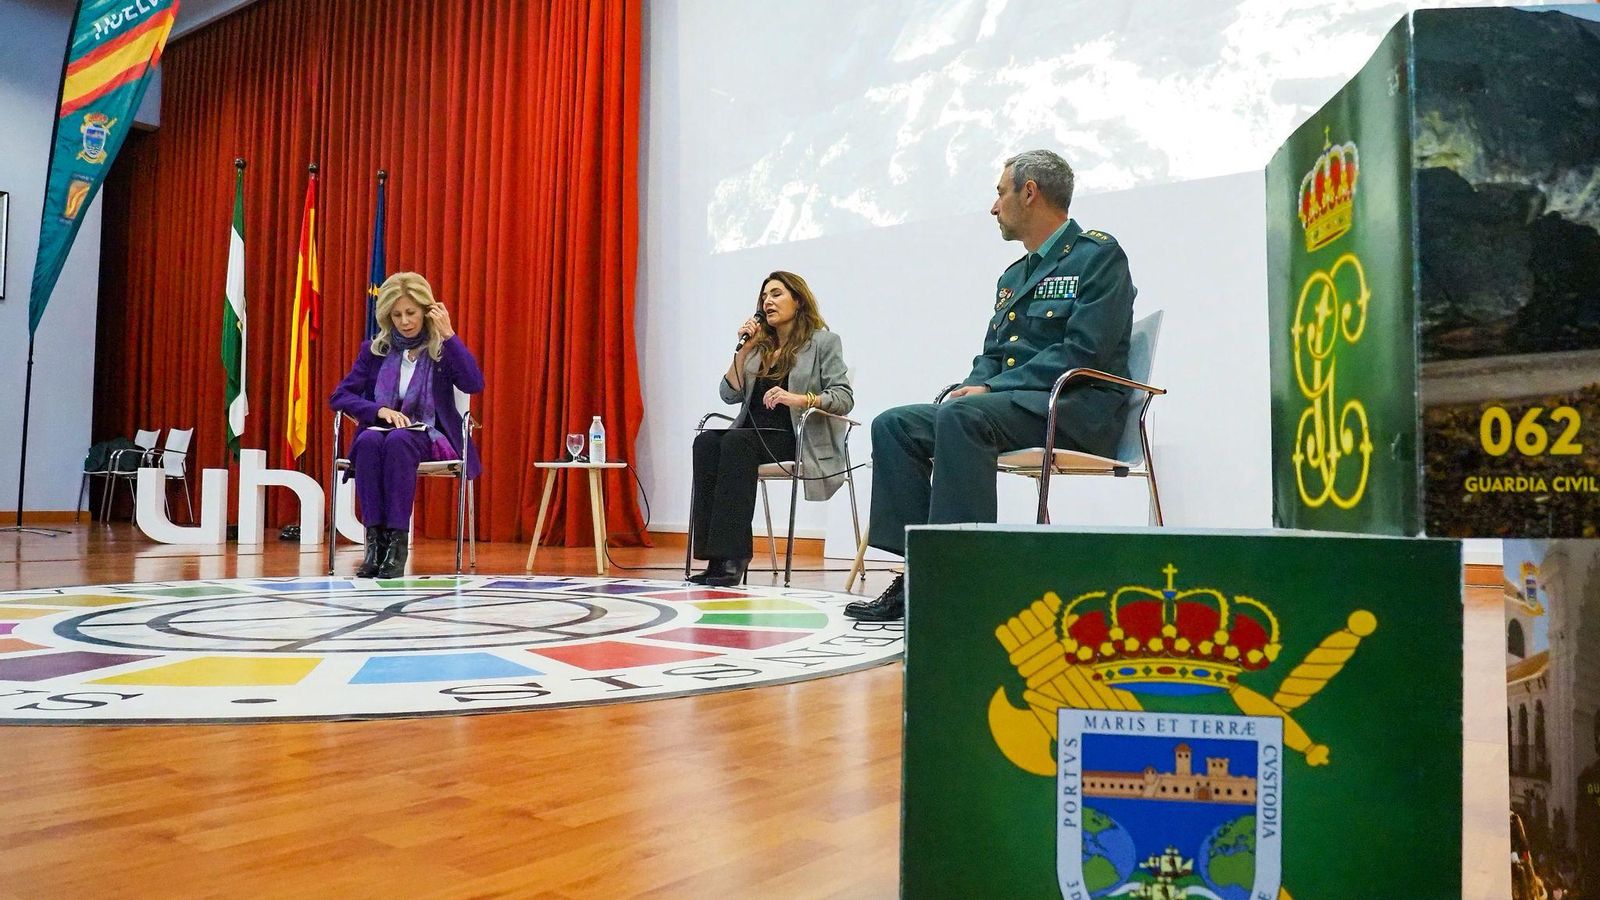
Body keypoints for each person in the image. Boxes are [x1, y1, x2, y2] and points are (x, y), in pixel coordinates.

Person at [847, 149, 1136, 622]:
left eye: (1000, 192)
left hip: (1075, 410)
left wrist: (993, 387)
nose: (993, 206)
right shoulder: (1013, 275)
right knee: (895, 424)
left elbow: (1085, 351)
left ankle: (963, 580)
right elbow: (992, 354)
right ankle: (923, 570)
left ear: (1029, 192)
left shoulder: (1098, 256)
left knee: (963, 416)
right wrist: (977, 382)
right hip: (1015, 407)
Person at [688, 271, 854, 586]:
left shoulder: (823, 342)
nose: (768, 301)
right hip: (748, 435)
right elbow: (729, 395)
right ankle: (715, 558)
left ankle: (734, 557)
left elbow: (843, 398)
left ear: (798, 299)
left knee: (736, 446)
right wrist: (744, 350)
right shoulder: (760, 347)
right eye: (764, 296)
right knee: (707, 443)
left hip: (793, 438)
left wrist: (799, 398)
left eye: (776, 294)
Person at [329, 272, 484, 577]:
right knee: (370, 442)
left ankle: (396, 550)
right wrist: (378, 410)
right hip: (381, 433)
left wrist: (450, 335)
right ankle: (375, 548)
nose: (405, 321)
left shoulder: (441, 350)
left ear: (426, 310)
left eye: (411, 313)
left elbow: (473, 383)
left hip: (427, 434)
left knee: (398, 442)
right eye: (397, 314)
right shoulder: (375, 350)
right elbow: (340, 396)